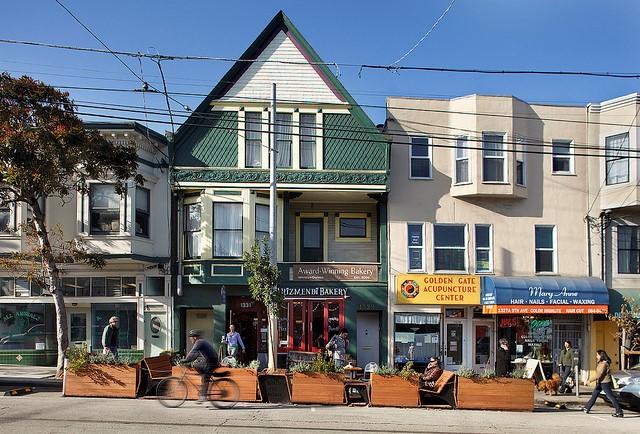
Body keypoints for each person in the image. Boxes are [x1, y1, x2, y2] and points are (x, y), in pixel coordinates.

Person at [181, 329, 219, 402]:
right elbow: (195, 355)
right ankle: (204, 381)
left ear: (194, 337)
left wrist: (185, 360)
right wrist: (189, 361)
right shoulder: (200, 342)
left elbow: (192, 352)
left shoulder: (199, 342)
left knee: (205, 376)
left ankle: (203, 396)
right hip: (210, 360)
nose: (190, 339)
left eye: (191, 337)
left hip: (212, 361)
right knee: (197, 366)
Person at [582, 350, 623, 417]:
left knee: (610, 397)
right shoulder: (601, 363)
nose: (596, 357)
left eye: (597, 355)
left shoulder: (604, 364)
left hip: (605, 383)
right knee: (594, 395)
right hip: (601, 382)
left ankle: (619, 412)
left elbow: (599, 374)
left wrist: (589, 380)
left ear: (601, 356)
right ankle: (587, 408)